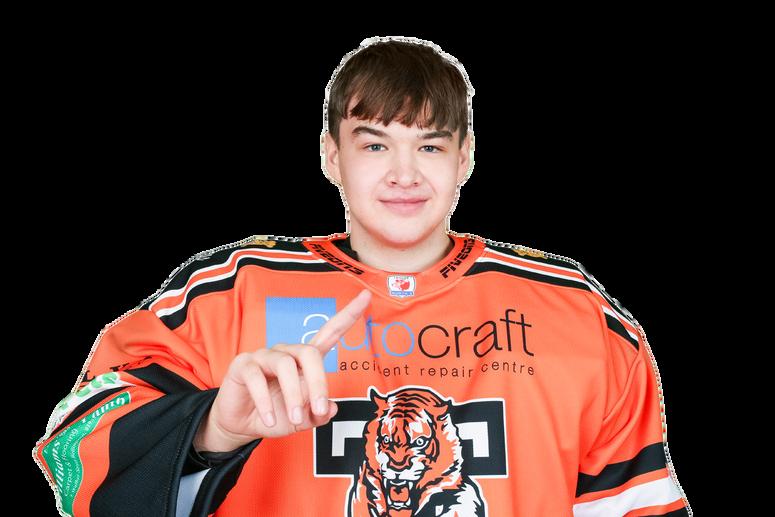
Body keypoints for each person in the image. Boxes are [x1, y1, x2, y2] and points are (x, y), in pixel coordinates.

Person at [33, 35, 692, 516]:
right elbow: (69, 454)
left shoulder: (576, 312)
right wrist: (212, 429)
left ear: (465, 158)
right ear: (331, 156)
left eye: (429, 145)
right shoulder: (226, 292)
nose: (404, 173)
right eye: (375, 144)